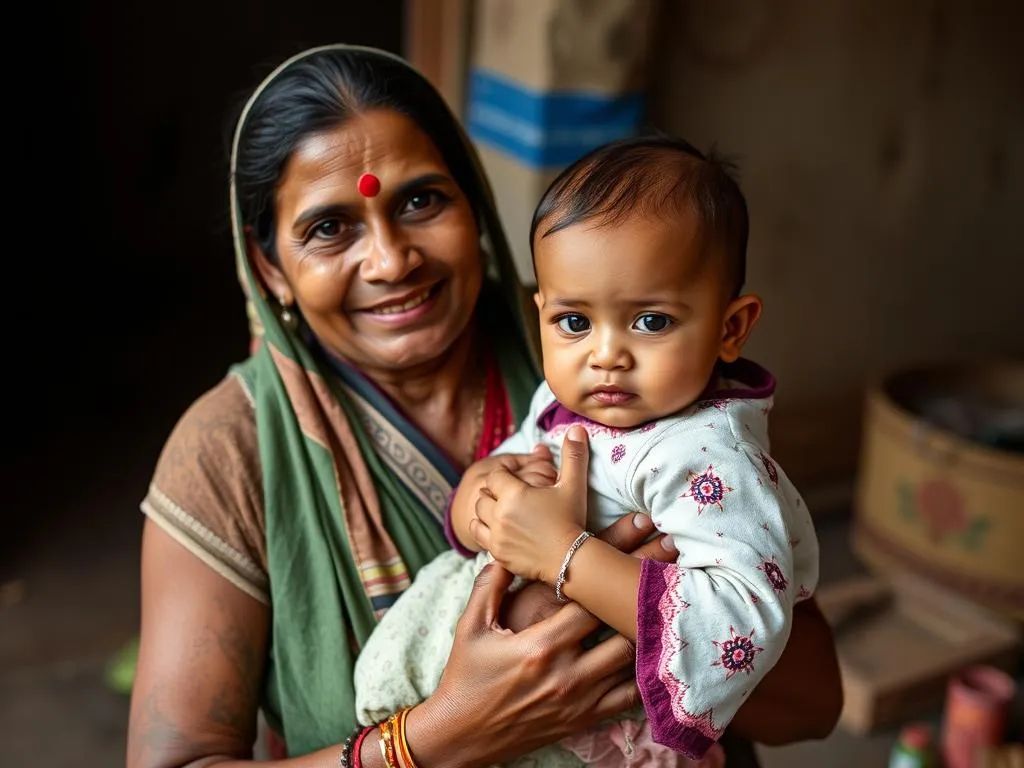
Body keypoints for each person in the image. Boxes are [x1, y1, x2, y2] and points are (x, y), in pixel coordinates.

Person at [126, 45, 843, 768]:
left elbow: (813, 704)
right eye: (328, 228)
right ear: (270, 268)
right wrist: (438, 737)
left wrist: (591, 579)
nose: (389, 259)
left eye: (419, 200)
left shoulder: (627, 381)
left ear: (473, 205)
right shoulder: (230, 452)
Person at [353, 136, 820, 766]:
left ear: (729, 328)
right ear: (541, 312)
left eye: (651, 321)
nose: (605, 354)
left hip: (614, 731)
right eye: (574, 322)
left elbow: (737, 620)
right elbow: (502, 484)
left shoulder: (711, 459)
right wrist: (478, 498)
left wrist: (561, 554)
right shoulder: (564, 400)